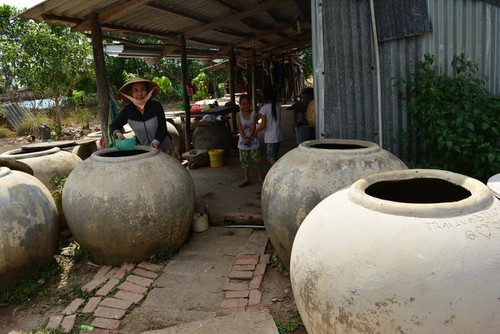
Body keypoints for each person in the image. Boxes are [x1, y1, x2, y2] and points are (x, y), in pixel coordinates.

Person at [110, 77, 172, 153]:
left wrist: (155, 143)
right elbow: (113, 126)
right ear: (131, 93)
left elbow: (162, 128)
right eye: (135, 90)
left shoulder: (156, 106)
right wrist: (117, 132)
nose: (139, 93)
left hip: (165, 148)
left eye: (143, 90)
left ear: (147, 91)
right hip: (146, 151)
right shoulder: (127, 110)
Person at [236, 94, 264, 187]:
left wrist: (248, 138)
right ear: (240, 104)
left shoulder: (254, 114)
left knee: (257, 160)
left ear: (250, 103)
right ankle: (246, 178)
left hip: (253, 142)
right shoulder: (238, 115)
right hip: (242, 143)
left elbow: (253, 127)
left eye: (248, 103)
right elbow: (240, 128)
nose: (246, 106)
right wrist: (244, 139)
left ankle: (260, 178)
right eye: (243, 104)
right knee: (244, 161)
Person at [256, 84, 283, 166]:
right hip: (278, 136)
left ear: (264, 95)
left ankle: (279, 172)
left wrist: (255, 131)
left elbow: (263, 125)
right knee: (274, 157)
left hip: (271, 138)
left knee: (270, 159)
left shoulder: (264, 109)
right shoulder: (278, 107)